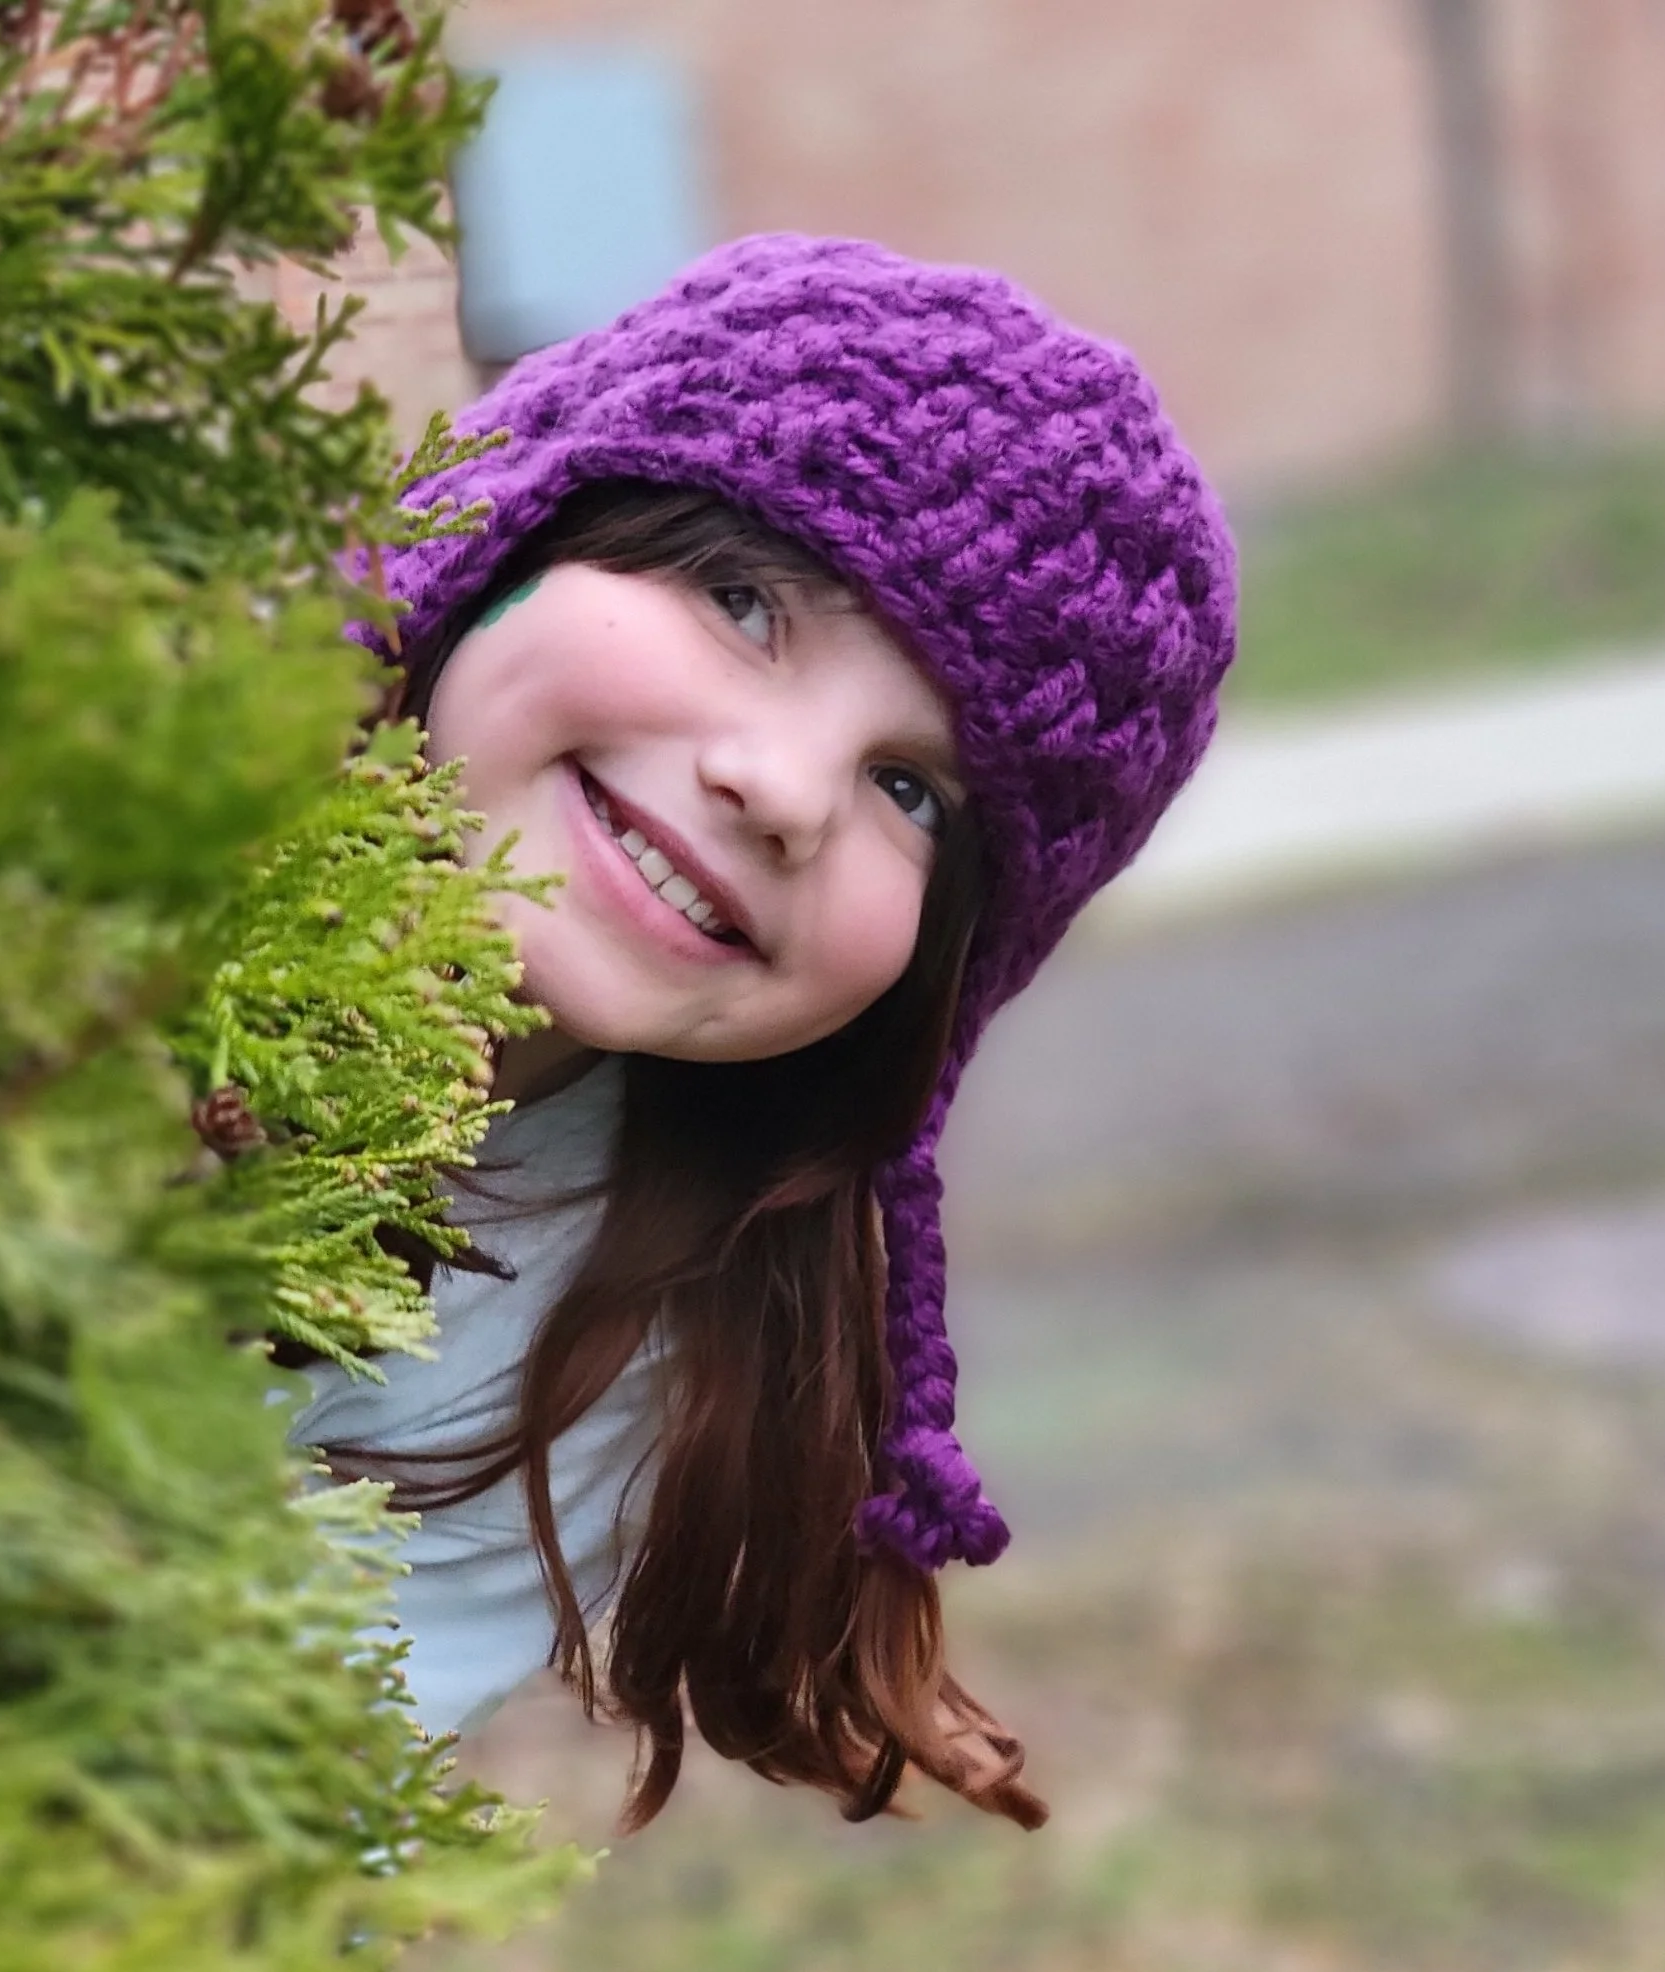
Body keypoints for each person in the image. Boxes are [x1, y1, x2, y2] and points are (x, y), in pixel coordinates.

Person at [291, 232, 1235, 1834]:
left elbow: (234, 1811)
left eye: (909, 789)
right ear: (531, 514)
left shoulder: (620, 1343)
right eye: (743, 601)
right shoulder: (74, 816)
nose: (783, 789)